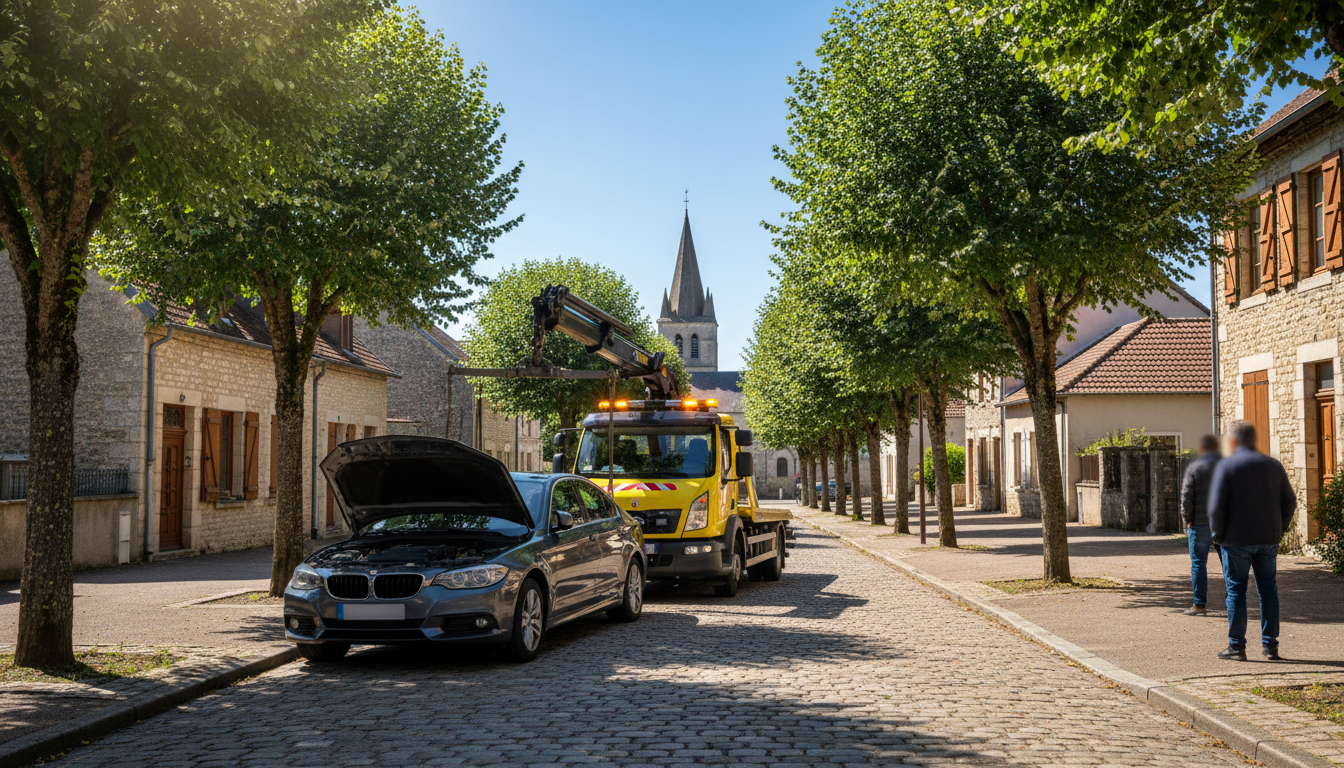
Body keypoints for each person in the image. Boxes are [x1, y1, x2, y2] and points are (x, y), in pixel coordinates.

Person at [1207, 421, 1296, 661]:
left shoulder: (1226, 467)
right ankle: (1271, 646)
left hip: (1236, 540)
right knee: (1268, 590)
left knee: (1236, 590)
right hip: (1268, 538)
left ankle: (1236, 647)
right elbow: (1290, 502)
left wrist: (1216, 536)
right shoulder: (1274, 466)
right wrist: (1279, 529)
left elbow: (1216, 507)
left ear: (1233, 441)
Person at [1179, 434, 1222, 616]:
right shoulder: (1226, 466)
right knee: (1229, 563)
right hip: (1224, 522)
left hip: (1199, 522)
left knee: (1198, 563)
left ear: (1202, 448)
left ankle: (1199, 605)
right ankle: (1236, 601)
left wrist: (1187, 519)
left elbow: (1186, 497)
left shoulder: (1195, 467)